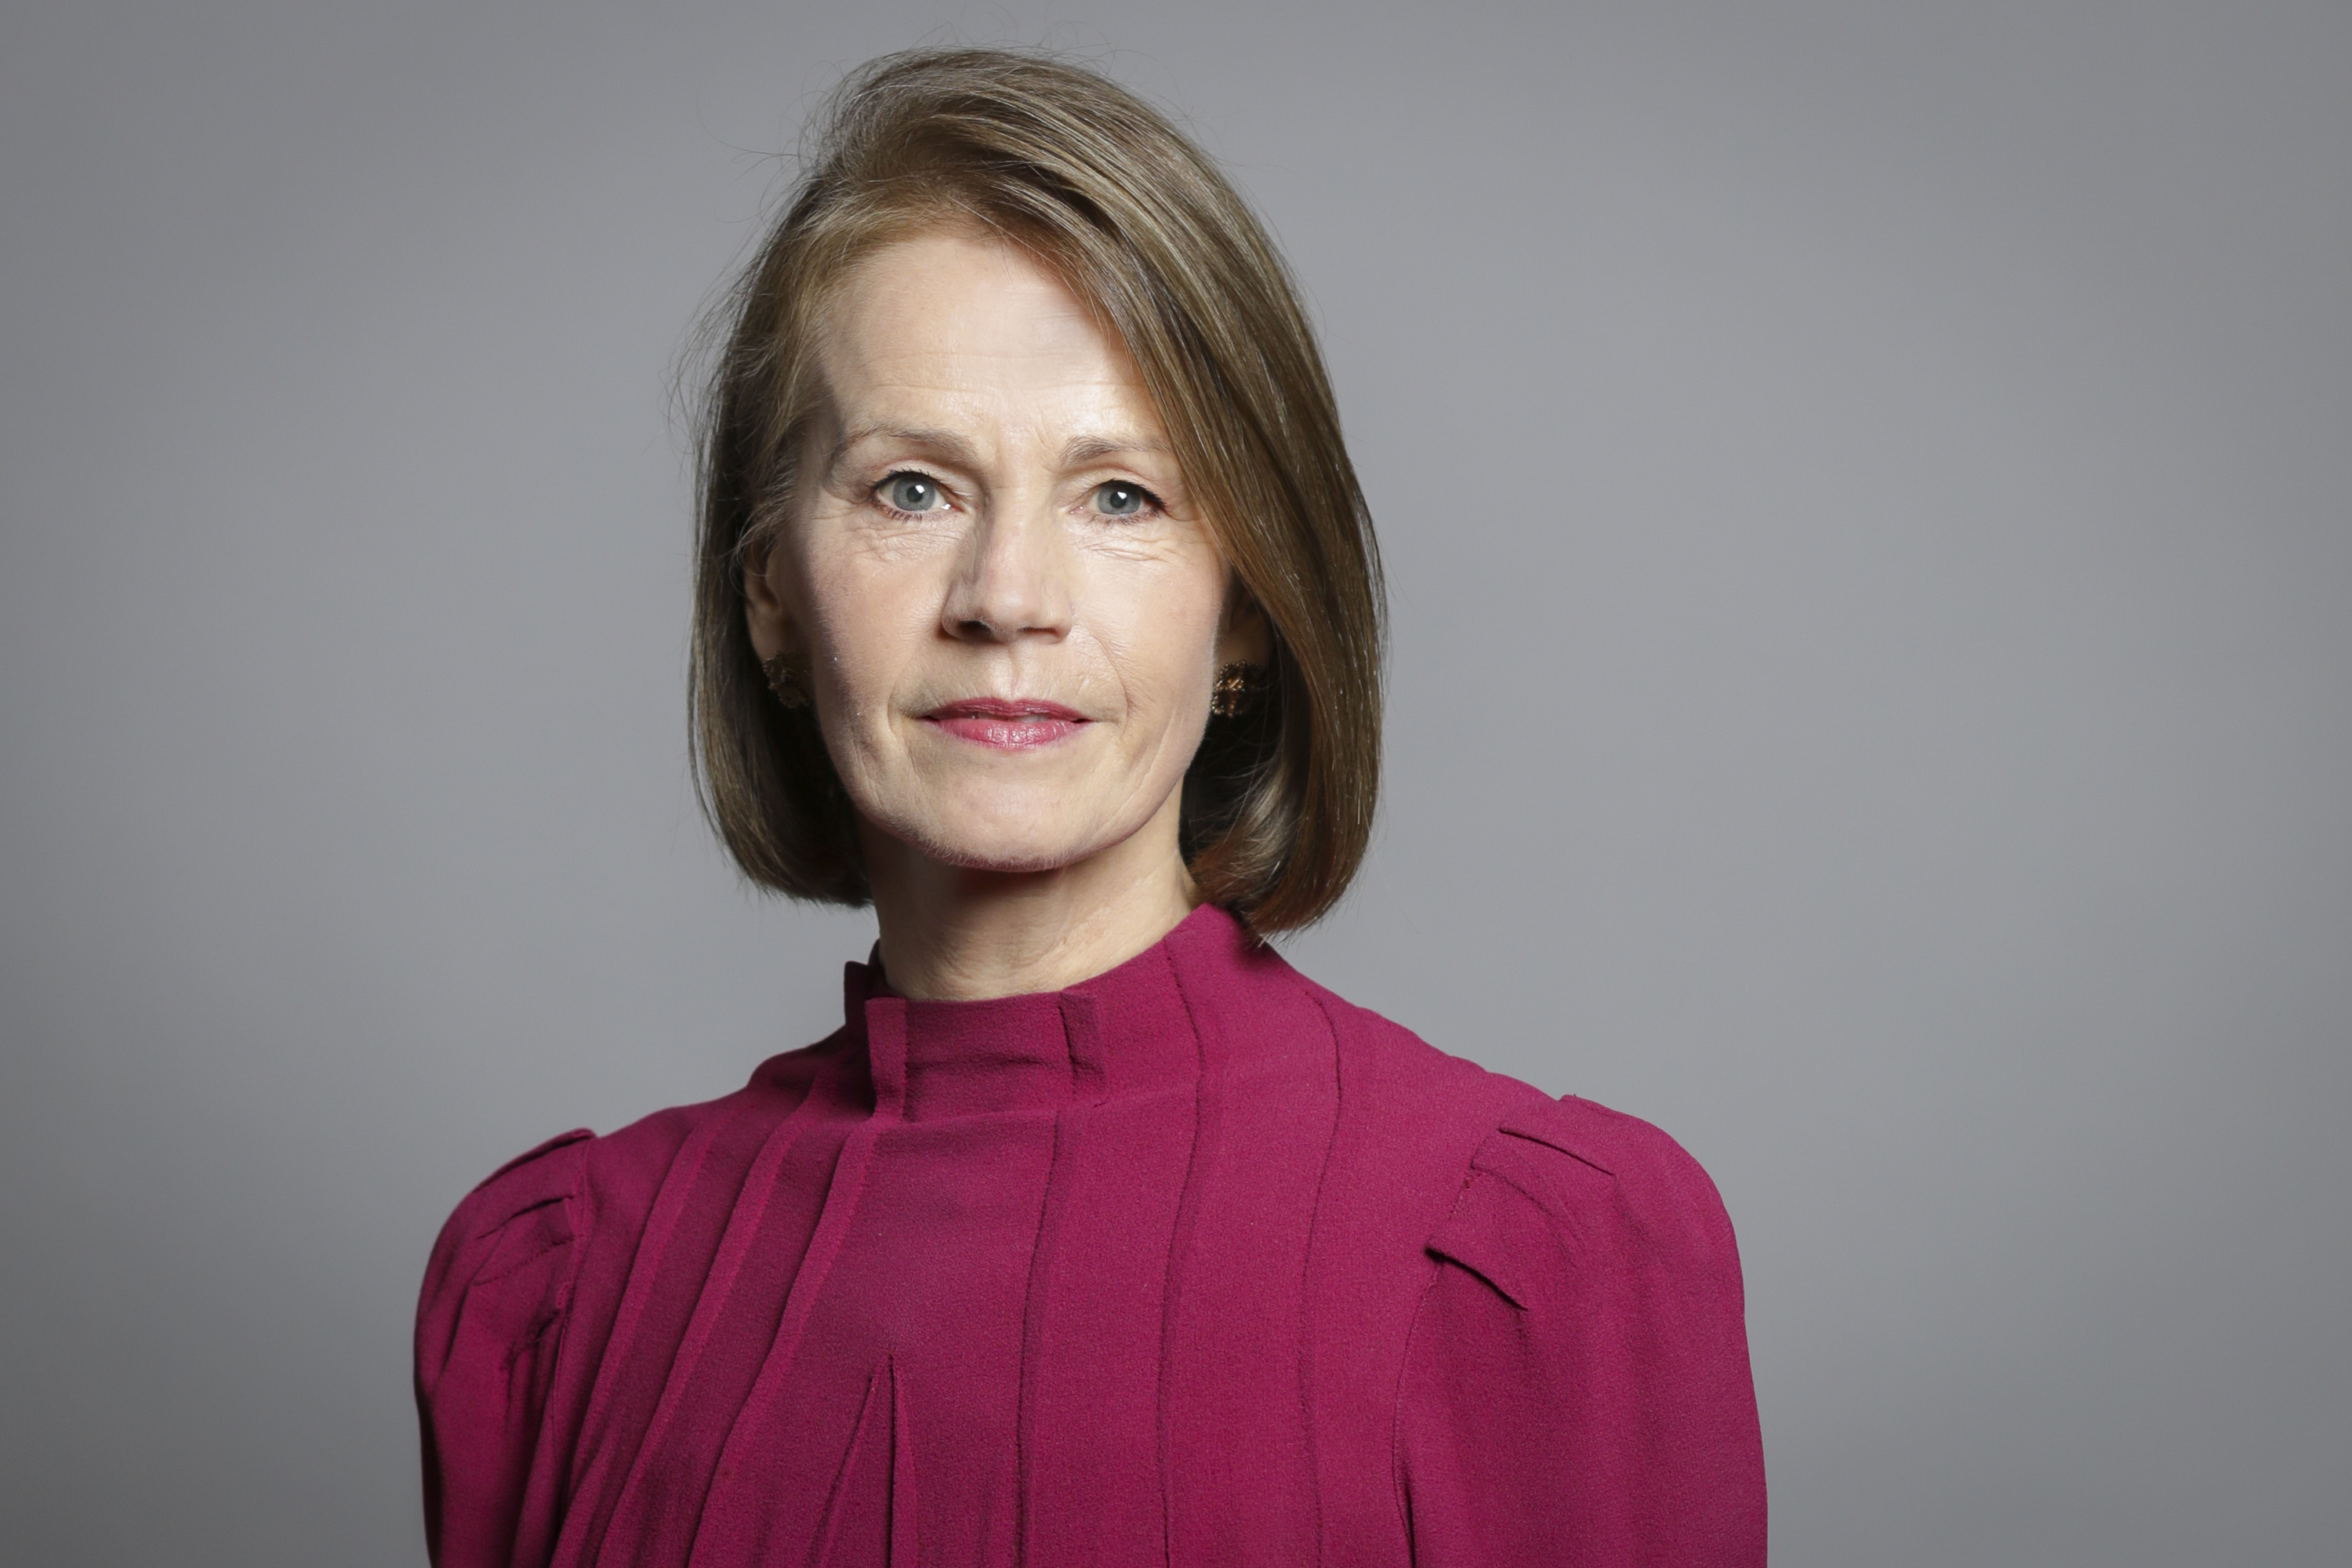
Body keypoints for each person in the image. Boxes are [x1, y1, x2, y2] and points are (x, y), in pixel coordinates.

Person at [414, 46, 1765, 1568]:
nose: (1008, 599)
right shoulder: (554, 1294)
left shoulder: (1538, 1261)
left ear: (1246, 612)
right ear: (772, 598)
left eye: (1122, 495)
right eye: (911, 488)